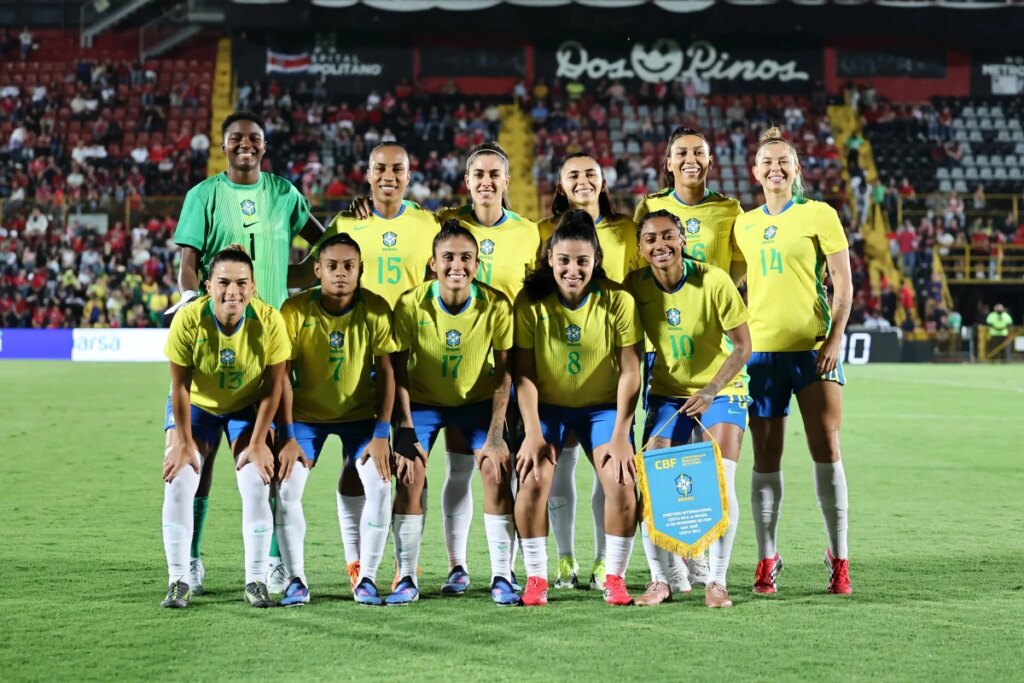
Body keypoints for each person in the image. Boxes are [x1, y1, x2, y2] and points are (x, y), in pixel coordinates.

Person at [167, 111, 326, 595]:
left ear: (264, 145)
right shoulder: (204, 195)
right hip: (218, 331)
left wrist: (289, 278)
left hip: (273, 337)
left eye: (254, 138)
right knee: (199, 462)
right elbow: (188, 264)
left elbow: (321, 248)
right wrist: (193, 301)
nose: (245, 144)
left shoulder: (284, 193)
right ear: (222, 145)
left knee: (270, 458)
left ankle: (274, 561)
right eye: (235, 138)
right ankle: (191, 560)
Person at [732, 126, 854, 595]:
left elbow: (843, 284)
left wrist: (835, 338)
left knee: (826, 446)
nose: (775, 169)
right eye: (767, 162)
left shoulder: (819, 214)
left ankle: (839, 557)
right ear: (755, 171)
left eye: (783, 161)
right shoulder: (744, 225)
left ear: (796, 168)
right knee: (766, 458)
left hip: (813, 349)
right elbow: (729, 286)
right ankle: (767, 558)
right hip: (761, 354)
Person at [318, 141, 438, 586]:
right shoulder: (347, 222)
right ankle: (356, 560)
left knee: (411, 462)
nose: (389, 176)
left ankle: (405, 563)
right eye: (380, 168)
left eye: (397, 169)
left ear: (409, 174)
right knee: (356, 460)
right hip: (356, 357)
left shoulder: (427, 223)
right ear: (368, 174)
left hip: (412, 358)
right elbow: (318, 271)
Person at [513, 209, 643, 607]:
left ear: (596, 260)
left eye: (582, 261)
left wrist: (621, 435)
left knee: (621, 483)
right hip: (548, 409)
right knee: (533, 480)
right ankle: (536, 578)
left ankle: (615, 577)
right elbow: (524, 374)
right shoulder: (530, 301)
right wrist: (531, 433)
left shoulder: (618, 300)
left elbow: (631, 370)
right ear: (550, 258)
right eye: (565, 260)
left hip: (602, 410)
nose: (573, 270)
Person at [634, 126, 744, 588]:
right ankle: (669, 571)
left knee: (717, 475)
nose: (690, 159)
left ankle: (713, 574)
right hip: (668, 380)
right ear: (668, 161)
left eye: (699, 152)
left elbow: (741, 272)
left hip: (721, 376)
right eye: (681, 152)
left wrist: (714, 301)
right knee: (657, 471)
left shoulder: (728, 214)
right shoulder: (648, 216)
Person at [624, 210, 752, 608]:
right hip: (669, 394)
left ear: (682, 240)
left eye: (667, 236)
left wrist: (712, 390)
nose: (659, 244)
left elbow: (743, 346)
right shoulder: (635, 287)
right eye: (650, 239)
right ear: (640, 248)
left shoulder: (714, 280)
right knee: (652, 480)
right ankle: (661, 580)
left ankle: (717, 581)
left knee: (721, 479)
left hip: (722, 390)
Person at [388, 221, 519, 606]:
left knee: (496, 470)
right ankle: (406, 577)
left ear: (477, 265)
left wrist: (496, 434)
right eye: (448, 257)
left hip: (476, 402)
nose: (456, 265)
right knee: (410, 474)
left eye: (466, 258)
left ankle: (501, 575)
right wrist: (405, 428)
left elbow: (504, 373)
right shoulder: (411, 303)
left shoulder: (496, 305)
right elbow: (398, 370)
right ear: (433, 263)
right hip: (424, 402)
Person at [160, 246, 289, 609]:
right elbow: (179, 386)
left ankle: (256, 580)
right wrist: (182, 443)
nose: (233, 291)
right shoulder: (189, 319)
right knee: (180, 479)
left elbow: (274, 387)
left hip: (248, 407)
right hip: (197, 405)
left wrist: (260, 441)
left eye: (241, 283)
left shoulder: (270, 320)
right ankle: (179, 579)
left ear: (253, 286)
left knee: (255, 480)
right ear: (208, 286)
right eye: (224, 282)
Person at [274, 233, 397, 606]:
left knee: (380, 486)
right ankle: (296, 580)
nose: (340, 273)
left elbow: (387, 374)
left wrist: (381, 434)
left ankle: (367, 578)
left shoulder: (376, 309)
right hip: (305, 419)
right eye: (332, 266)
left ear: (360, 270)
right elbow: (282, 376)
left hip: (360, 418)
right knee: (286, 489)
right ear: (317, 270)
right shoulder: (294, 310)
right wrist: (287, 436)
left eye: (348, 266)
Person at [536, 152, 641, 589]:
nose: (583, 181)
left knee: (611, 468)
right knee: (558, 467)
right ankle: (564, 559)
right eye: (573, 175)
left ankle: (603, 561)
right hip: (558, 362)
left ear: (603, 182)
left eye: (591, 174)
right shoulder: (542, 230)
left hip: (615, 357)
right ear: (561, 184)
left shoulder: (627, 229)